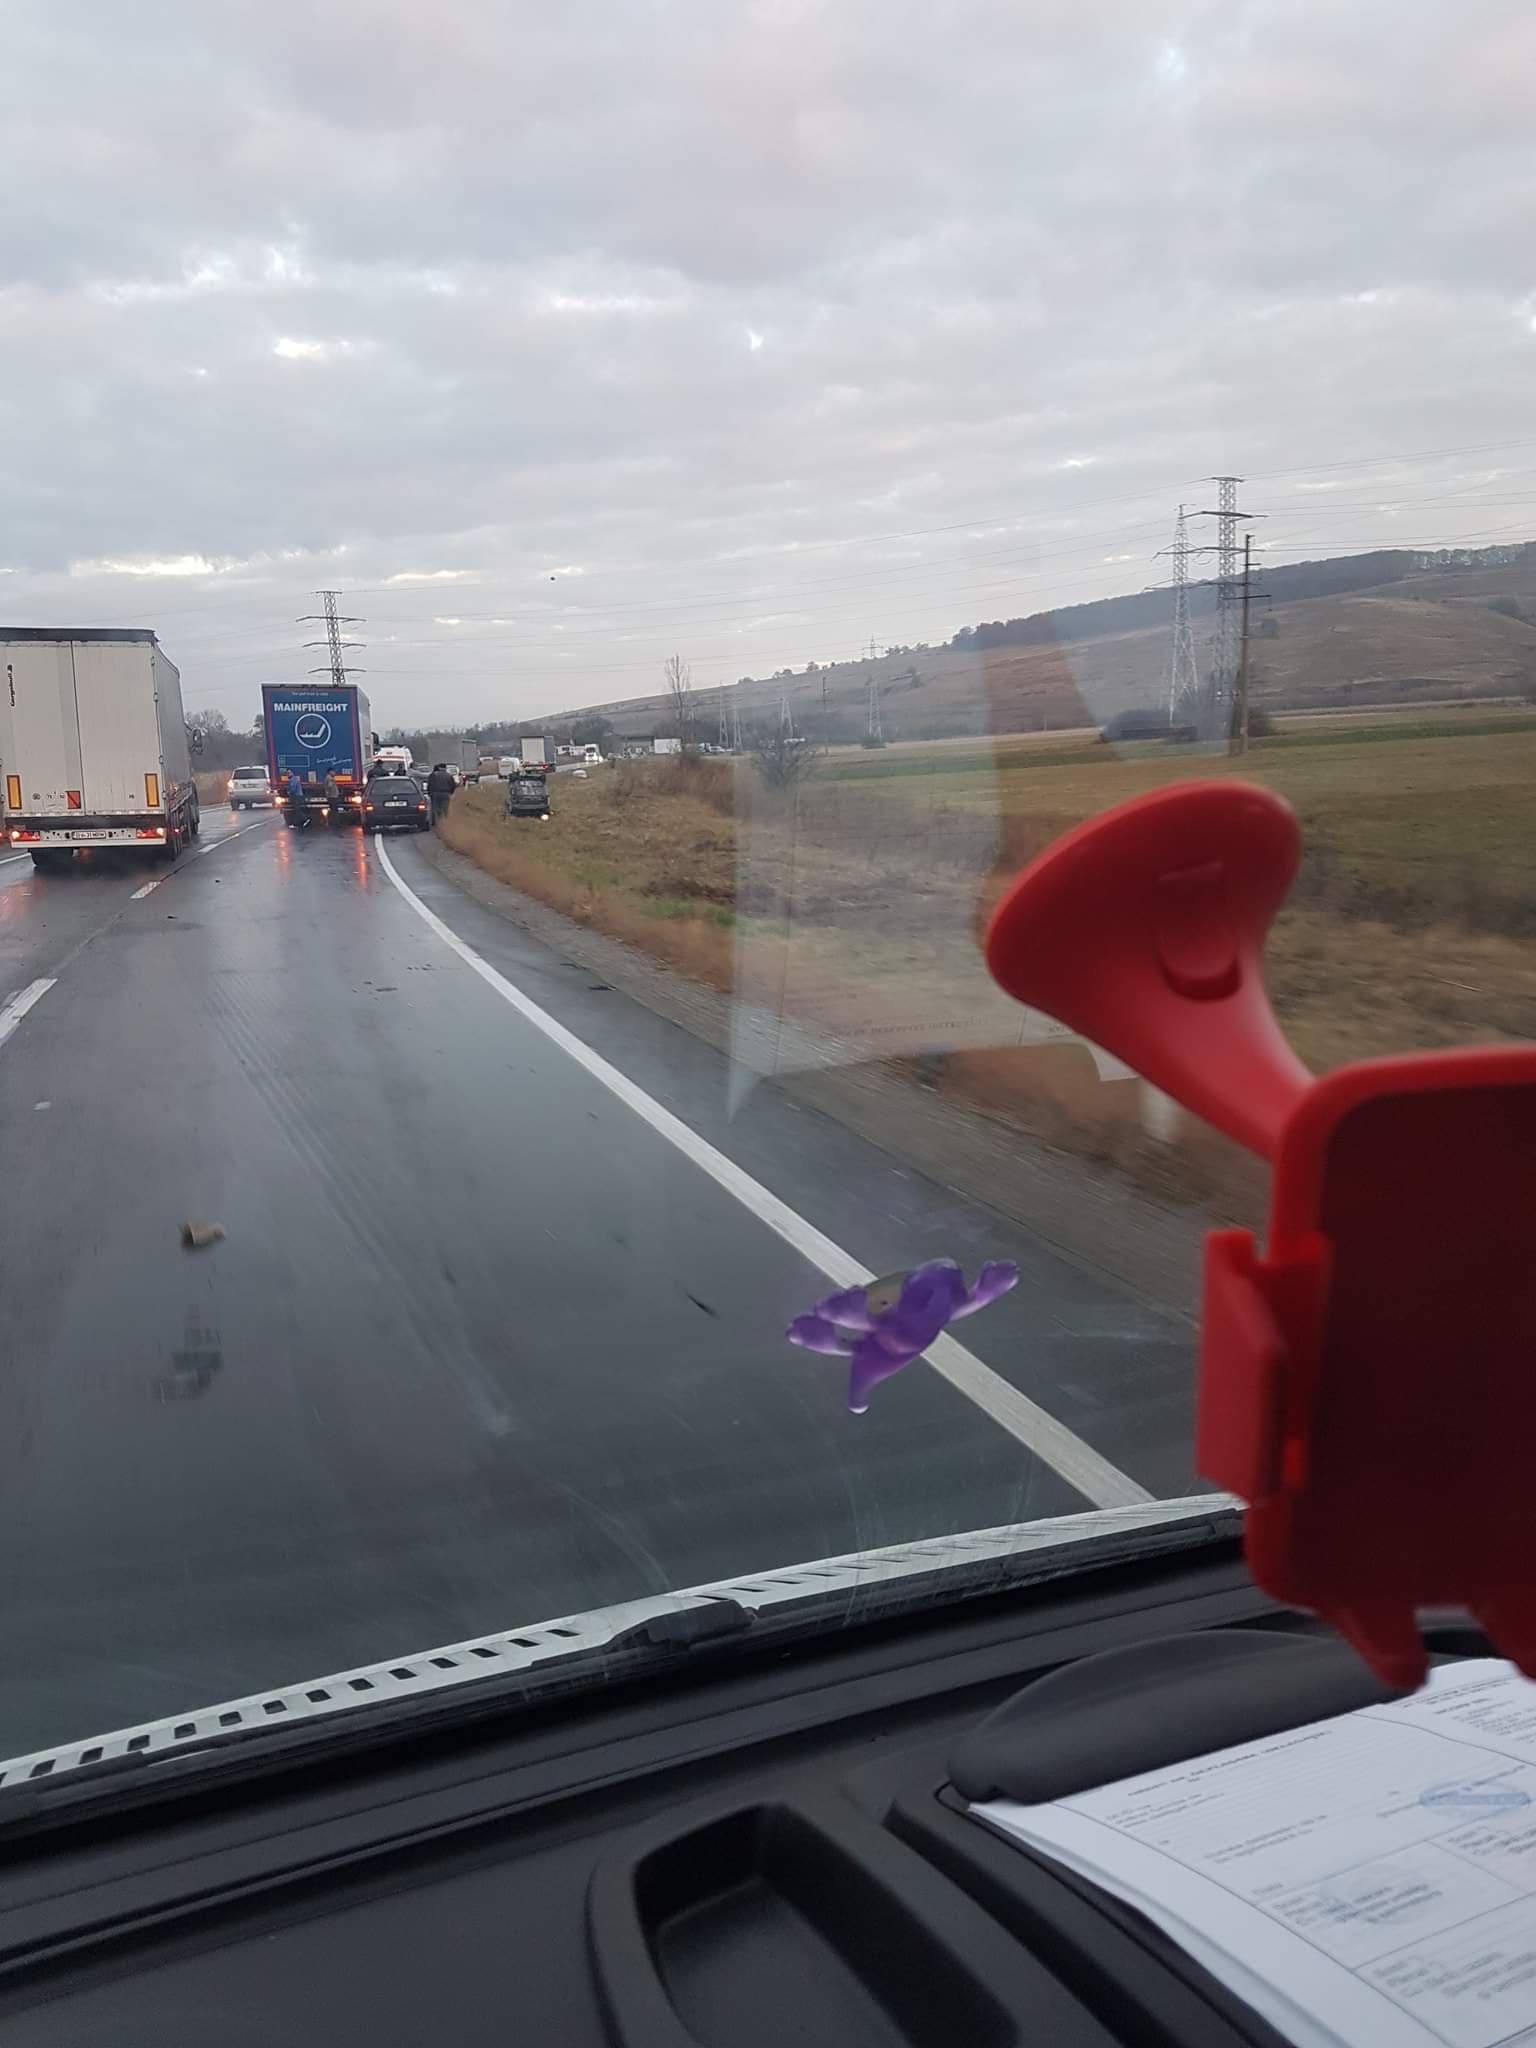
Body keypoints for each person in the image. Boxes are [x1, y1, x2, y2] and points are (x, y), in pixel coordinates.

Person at [425, 762, 455, 826]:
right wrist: (451, 793)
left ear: (439, 768)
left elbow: (429, 784)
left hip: (435, 794)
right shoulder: (449, 775)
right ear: (445, 768)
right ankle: (445, 823)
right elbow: (453, 785)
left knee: (435, 808)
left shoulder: (433, 775)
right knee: (445, 808)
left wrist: (429, 793)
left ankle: (435, 823)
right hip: (446, 794)